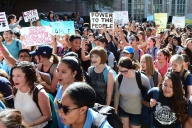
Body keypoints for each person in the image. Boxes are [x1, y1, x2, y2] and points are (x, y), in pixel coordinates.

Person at [10, 61, 51, 127]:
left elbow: (47, 116)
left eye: (19, 76)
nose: (15, 79)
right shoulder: (15, 89)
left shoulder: (40, 93)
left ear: (28, 76)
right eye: (13, 76)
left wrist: (29, 125)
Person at [114, 57, 150, 128]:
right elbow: (117, 95)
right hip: (123, 109)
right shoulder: (119, 77)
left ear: (131, 68)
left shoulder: (142, 78)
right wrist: (115, 110)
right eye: (120, 71)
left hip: (136, 111)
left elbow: (149, 92)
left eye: (125, 71)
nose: (123, 74)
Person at [54, 56, 84, 128]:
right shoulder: (60, 86)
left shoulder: (78, 93)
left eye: (63, 72)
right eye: (57, 70)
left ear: (74, 73)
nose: (58, 74)